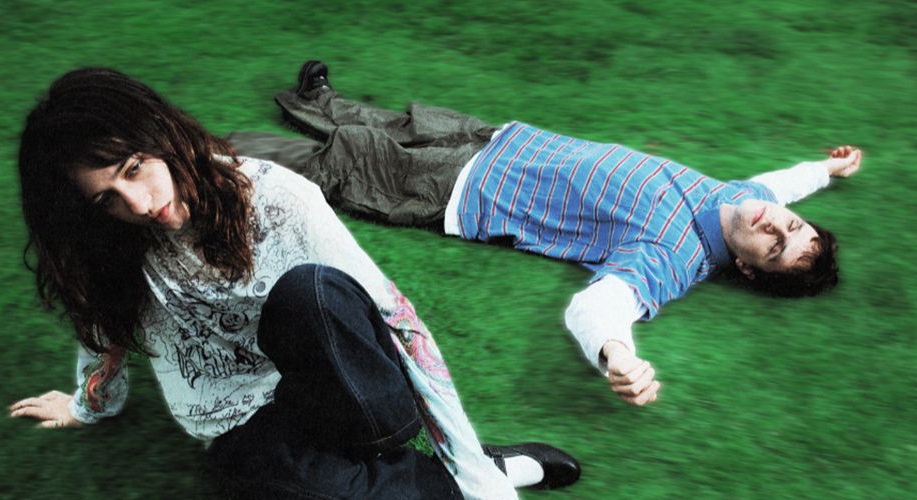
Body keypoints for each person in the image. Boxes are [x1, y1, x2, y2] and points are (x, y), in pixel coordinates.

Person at [8, 67, 580, 500]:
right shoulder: (111, 245)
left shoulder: (276, 197)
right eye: (107, 198)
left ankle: (440, 469)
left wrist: (473, 475)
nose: (137, 203)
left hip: (344, 389)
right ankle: (432, 479)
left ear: (162, 135)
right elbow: (104, 329)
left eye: (135, 169)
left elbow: (399, 324)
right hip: (241, 426)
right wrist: (87, 405)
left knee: (312, 292)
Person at [229, 61, 863, 408]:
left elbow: (599, 306)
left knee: (345, 165)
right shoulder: (749, 200)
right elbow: (782, 186)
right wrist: (828, 169)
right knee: (399, 123)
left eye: (776, 247)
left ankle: (210, 159)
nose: (776, 225)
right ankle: (319, 100)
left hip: (464, 193)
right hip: (504, 142)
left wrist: (617, 354)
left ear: (748, 268)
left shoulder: (673, 256)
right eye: (791, 226)